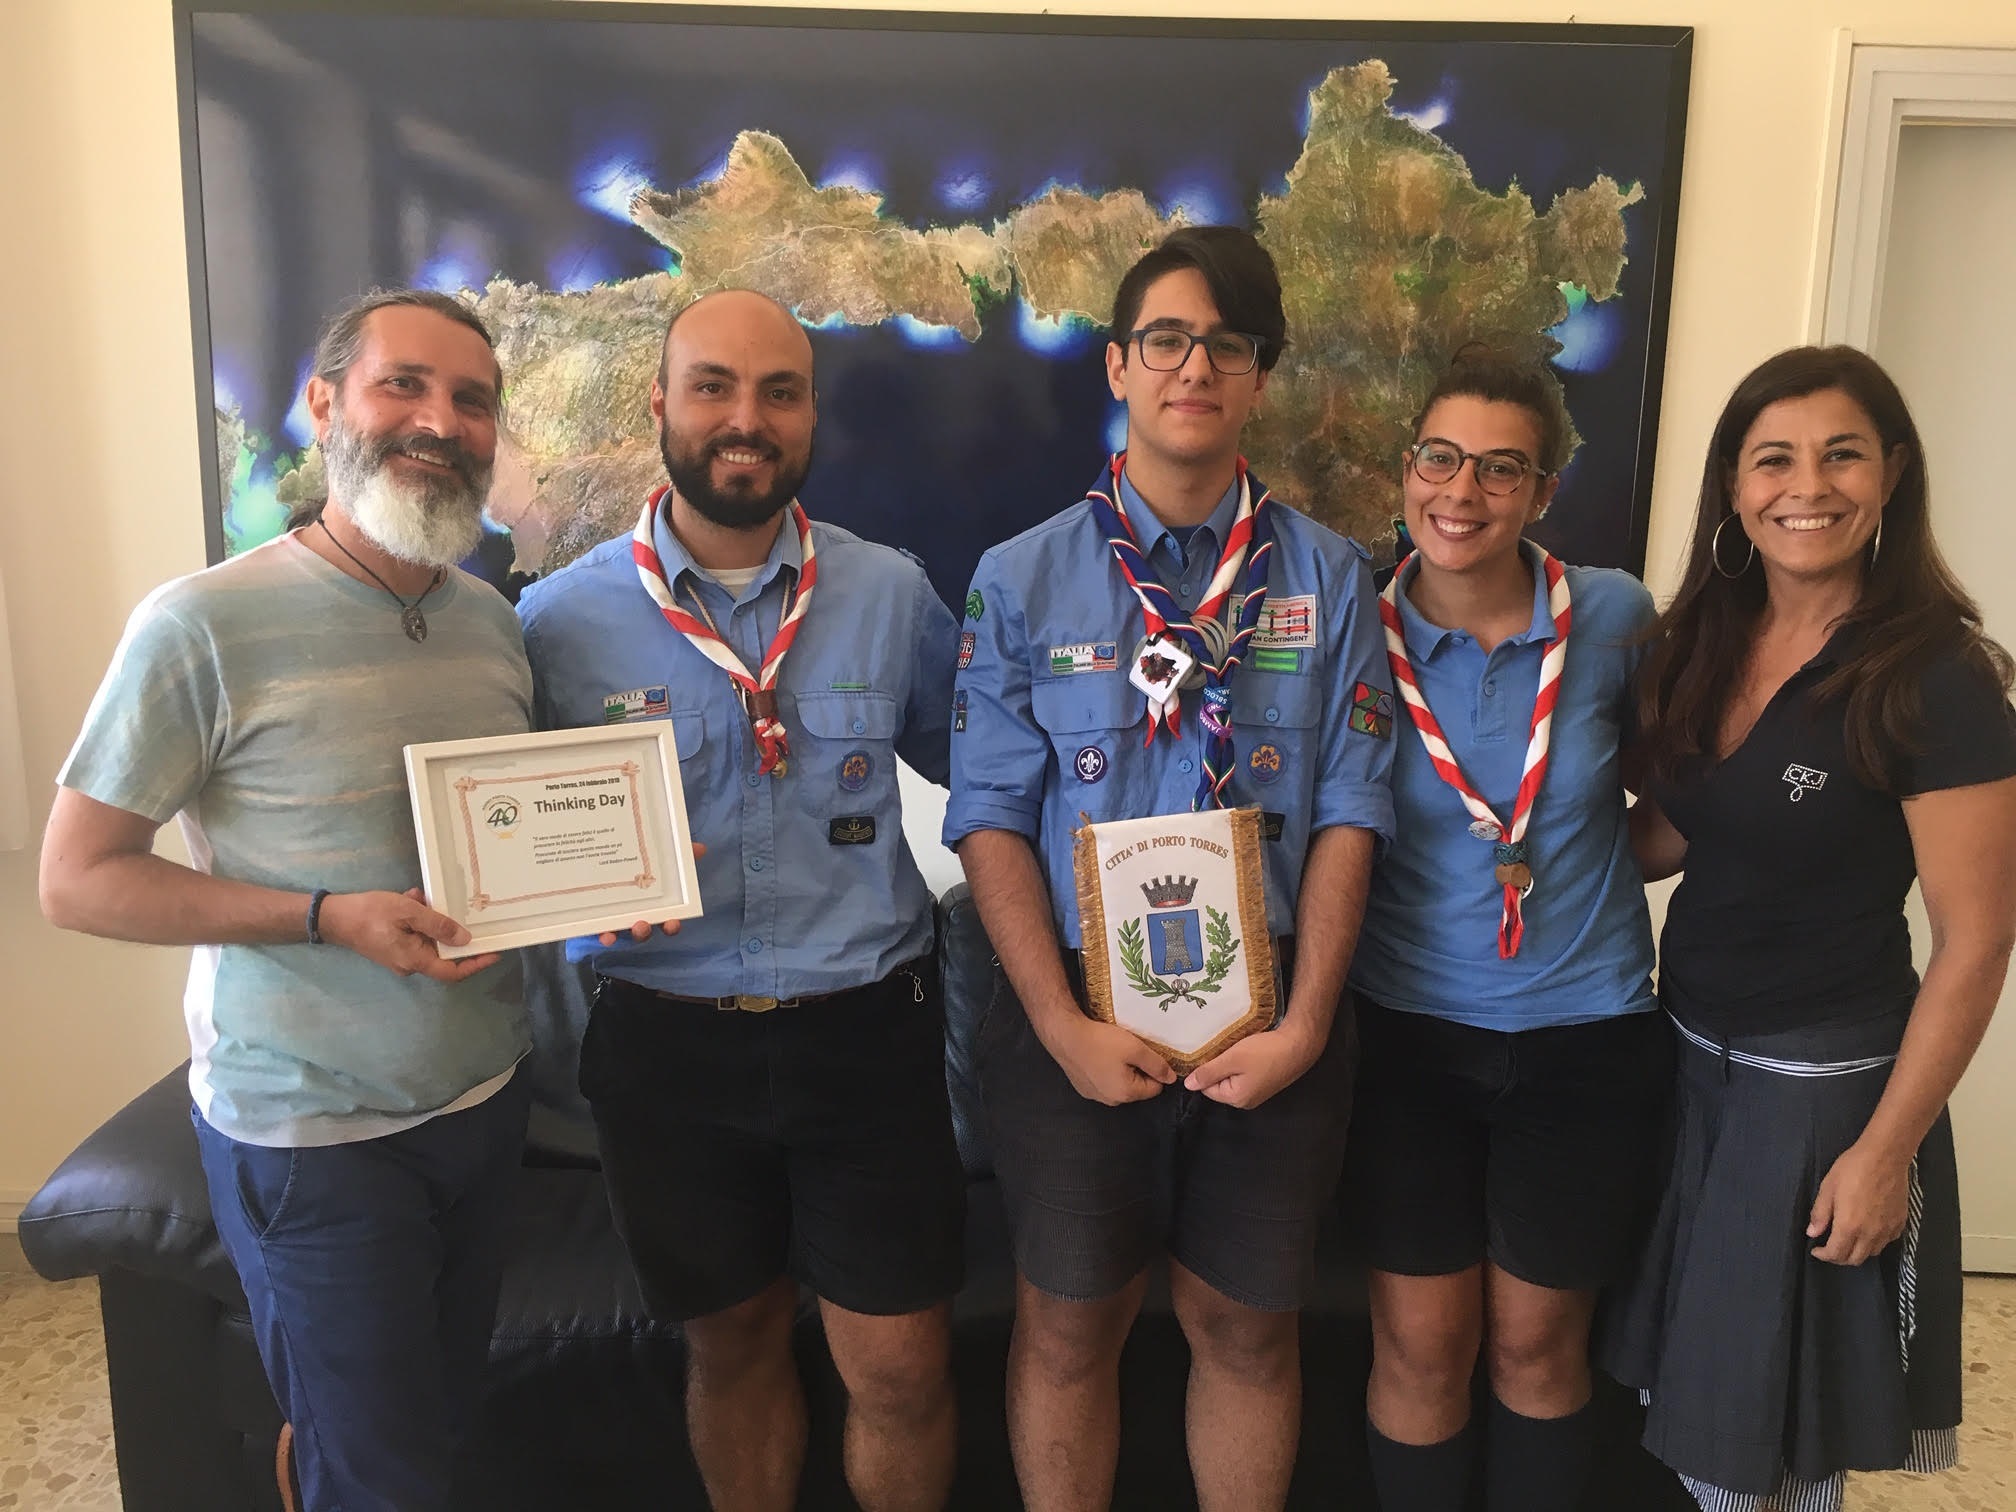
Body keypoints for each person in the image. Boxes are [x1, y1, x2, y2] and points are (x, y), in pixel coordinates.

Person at [39, 289, 536, 1512]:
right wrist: (326, 916)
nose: (441, 421)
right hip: (313, 1134)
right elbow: (78, 877)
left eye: (472, 400)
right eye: (403, 384)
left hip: (484, 1100)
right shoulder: (199, 624)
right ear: (325, 405)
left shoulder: (492, 623)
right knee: (386, 1479)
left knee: (431, 1431)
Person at [945, 225, 1397, 1512]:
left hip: (1276, 1005)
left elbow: (1354, 810)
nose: (1194, 366)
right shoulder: (1019, 578)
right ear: (1118, 366)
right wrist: (1061, 1027)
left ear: (1260, 375)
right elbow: (989, 816)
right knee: (1068, 1328)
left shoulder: (1331, 576)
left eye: (1227, 344)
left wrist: (1306, 1025)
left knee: (1246, 1329)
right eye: (1166, 339)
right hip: (1075, 1002)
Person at [516, 289, 966, 1512]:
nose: (745, 419)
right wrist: (571, 901)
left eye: (779, 392)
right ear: (659, 403)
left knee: (902, 1368)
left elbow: (987, 782)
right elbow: (503, 842)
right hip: (666, 1050)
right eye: (712, 385)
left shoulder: (890, 595)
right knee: (732, 1346)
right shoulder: (557, 625)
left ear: (811, 415)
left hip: (867, 1035)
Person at [1601, 346, 2016, 1512]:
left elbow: (1978, 941)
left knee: (1768, 1435)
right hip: (1685, 1062)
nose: (1808, 486)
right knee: (1687, 1405)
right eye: (1774, 459)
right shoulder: (1702, 639)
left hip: (1819, 1098)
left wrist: (1885, 1153)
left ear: (1892, 474)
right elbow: (1673, 837)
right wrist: (1498, 857)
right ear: (1734, 487)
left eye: (1842, 455)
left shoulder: (1937, 677)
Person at [1337, 349, 1666, 1511]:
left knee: (1536, 1350)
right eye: (1440, 458)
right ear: (1406, 469)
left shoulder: (1615, 619)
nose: (1461, 492)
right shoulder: (1351, 628)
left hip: (1585, 1038)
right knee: (1421, 1349)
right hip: (1406, 1039)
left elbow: (1680, 797)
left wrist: (1574, 874)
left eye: (1500, 468)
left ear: (1542, 490)